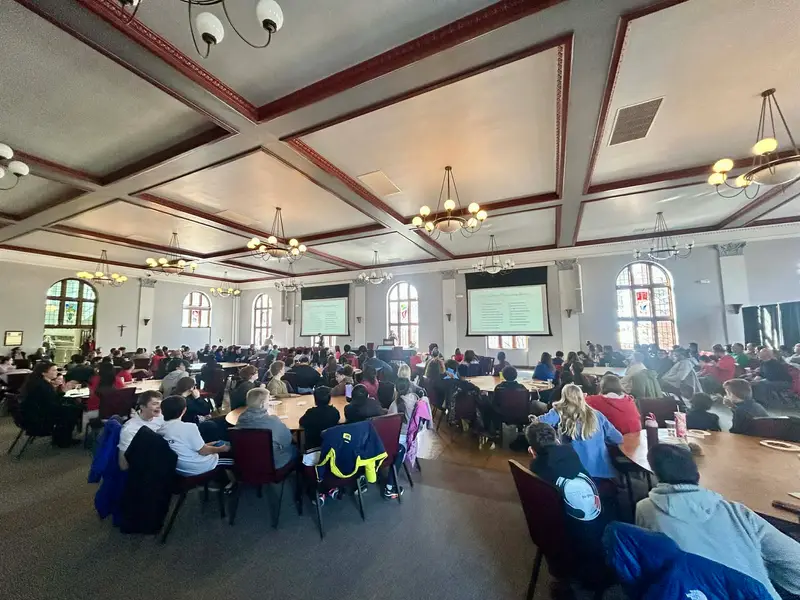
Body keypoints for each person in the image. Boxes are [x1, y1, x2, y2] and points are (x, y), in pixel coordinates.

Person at [636, 443, 800, 600]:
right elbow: (794, 560)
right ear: (698, 476)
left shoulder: (645, 509)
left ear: (656, 475)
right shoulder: (737, 512)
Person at [525, 421, 609, 560]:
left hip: (567, 537)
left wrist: (535, 459)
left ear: (532, 450)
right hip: (599, 529)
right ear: (556, 439)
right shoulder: (571, 452)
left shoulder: (537, 465)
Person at [536, 383, 623, 480]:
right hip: (602, 471)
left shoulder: (559, 412)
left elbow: (538, 423)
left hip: (574, 472)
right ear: (582, 397)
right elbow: (618, 438)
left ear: (563, 397)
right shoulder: (597, 415)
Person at [158, 395, 231, 476]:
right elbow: (203, 451)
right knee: (234, 459)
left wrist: (211, 444)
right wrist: (222, 449)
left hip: (180, 468)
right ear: (184, 410)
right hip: (198, 466)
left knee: (218, 443)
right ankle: (230, 484)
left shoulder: (160, 430)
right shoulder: (189, 427)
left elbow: (187, 446)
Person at [236, 388, 295, 469]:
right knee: (295, 449)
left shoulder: (240, 419)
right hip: (273, 464)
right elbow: (287, 441)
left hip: (247, 463)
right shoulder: (273, 421)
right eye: (268, 400)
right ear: (262, 404)